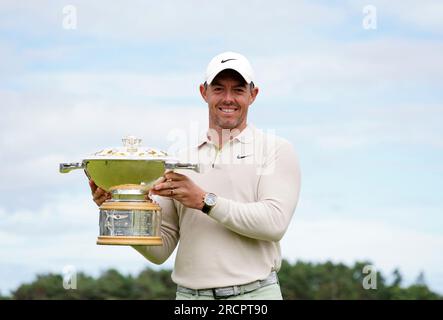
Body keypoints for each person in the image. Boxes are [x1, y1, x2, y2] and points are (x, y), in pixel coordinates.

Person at [89, 51, 301, 300]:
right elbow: (161, 249)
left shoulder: (275, 150)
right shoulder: (179, 159)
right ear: (204, 92)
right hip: (190, 299)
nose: (228, 99)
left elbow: (274, 223)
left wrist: (204, 201)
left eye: (239, 90)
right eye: (219, 89)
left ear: (253, 95)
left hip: (254, 295)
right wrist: (122, 210)